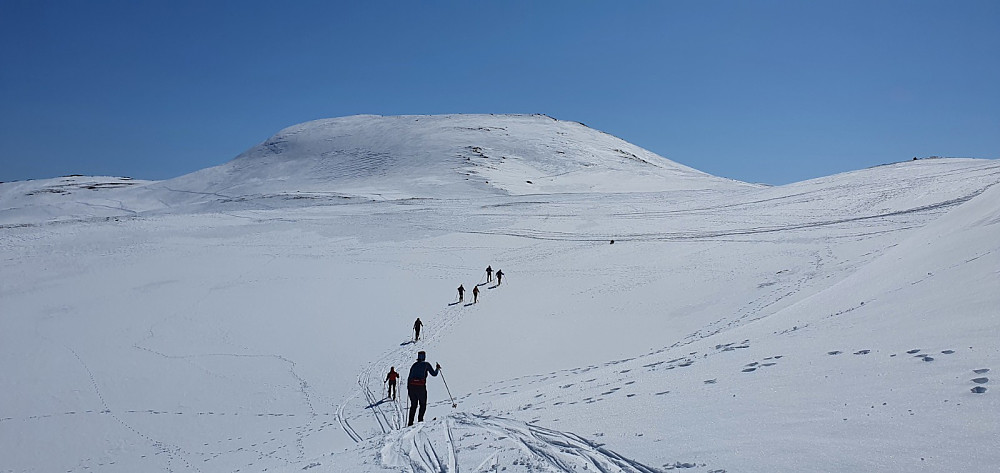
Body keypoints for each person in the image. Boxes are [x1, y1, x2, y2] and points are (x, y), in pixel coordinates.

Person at [407, 351, 440, 426]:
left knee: (413, 405)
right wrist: (437, 369)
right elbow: (434, 374)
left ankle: (410, 423)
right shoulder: (426, 364)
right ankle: (420, 421)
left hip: (411, 387)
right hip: (421, 387)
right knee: (422, 404)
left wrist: (408, 388)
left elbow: (409, 377)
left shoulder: (414, 365)